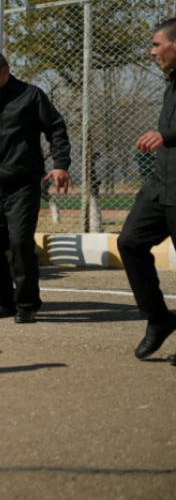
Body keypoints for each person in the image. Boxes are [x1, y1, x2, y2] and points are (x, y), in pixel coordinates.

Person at [0, 51, 72, 324]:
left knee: (21, 244)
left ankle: (27, 304)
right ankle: (4, 302)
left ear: (4, 72)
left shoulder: (30, 96)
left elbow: (55, 128)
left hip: (22, 185)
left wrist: (60, 164)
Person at [117, 18, 176, 361]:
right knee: (130, 242)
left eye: (156, 45)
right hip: (161, 186)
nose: (152, 52)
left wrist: (166, 136)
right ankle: (159, 319)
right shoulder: (170, 82)